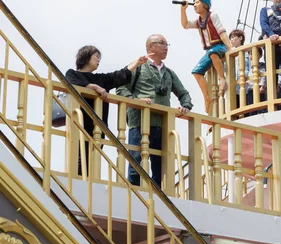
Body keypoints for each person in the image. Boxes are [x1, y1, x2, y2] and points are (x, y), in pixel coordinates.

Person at [116, 34, 193, 187]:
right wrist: (137, 101)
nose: (166, 47)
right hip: (139, 121)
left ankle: (158, 197)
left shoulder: (169, 72)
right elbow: (121, 88)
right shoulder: (138, 67)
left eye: (166, 44)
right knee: (135, 161)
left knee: (160, 166)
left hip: (162, 124)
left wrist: (185, 106)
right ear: (150, 46)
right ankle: (133, 193)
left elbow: (184, 94)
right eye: (162, 43)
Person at [66, 46, 150, 177]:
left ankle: (88, 181)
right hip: (79, 123)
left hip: (97, 127)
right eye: (96, 57)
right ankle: (77, 181)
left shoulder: (101, 79)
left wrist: (137, 63)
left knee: (93, 158)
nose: (99, 60)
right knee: (79, 156)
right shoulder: (72, 73)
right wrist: (94, 87)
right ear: (86, 57)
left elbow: (118, 76)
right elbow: (72, 83)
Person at [180, 0, 232, 113]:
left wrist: (230, 48)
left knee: (213, 53)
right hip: (210, 51)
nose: (195, 5)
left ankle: (222, 78)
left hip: (220, 46)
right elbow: (185, 25)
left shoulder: (213, 16)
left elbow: (221, 32)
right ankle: (206, 97)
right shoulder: (199, 22)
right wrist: (183, 10)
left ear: (205, 4)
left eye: (197, 2)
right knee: (196, 71)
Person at [229, 29, 249, 109]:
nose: (231, 40)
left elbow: (249, 66)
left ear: (240, 38)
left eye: (233, 37)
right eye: (230, 38)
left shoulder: (246, 51)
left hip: (245, 84)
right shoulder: (230, 54)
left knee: (245, 106)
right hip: (234, 86)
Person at [245, 47, 267, 116]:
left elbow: (263, 76)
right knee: (251, 106)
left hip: (259, 87)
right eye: (251, 54)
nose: (252, 55)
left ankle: (262, 115)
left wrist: (262, 86)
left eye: (255, 53)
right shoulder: (250, 67)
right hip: (250, 88)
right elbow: (249, 76)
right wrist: (247, 81)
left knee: (261, 105)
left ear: (260, 55)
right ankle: (253, 116)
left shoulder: (262, 65)